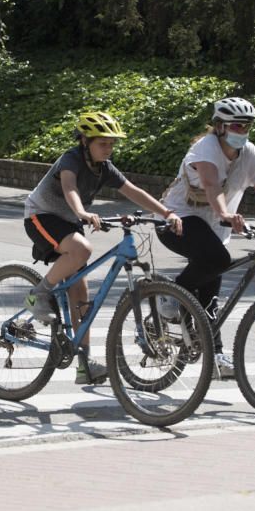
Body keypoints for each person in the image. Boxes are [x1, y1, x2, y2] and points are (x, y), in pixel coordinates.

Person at [23, 111, 183, 384]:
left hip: (70, 221)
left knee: (81, 296)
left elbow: (133, 191)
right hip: (41, 216)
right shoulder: (71, 159)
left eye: (111, 144)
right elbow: (70, 188)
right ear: (85, 141)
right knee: (82, 249)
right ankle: (38, 294)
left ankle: (84, 365)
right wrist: (82, 212)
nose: (108, 149)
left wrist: (166, 213)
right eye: (103, 144)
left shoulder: (104, 167)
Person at [157, 97, 255, 380]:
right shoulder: (205, 149)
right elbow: (212, 185)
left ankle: (214, 356)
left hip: (213, 232)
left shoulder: (249, 154)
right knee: (217, 259)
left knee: (210, 297)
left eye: (247, 126)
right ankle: (171, 295)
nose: (243, 131)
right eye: (237, 125)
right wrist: (226, 213)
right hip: (176, 221)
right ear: (220, 127)